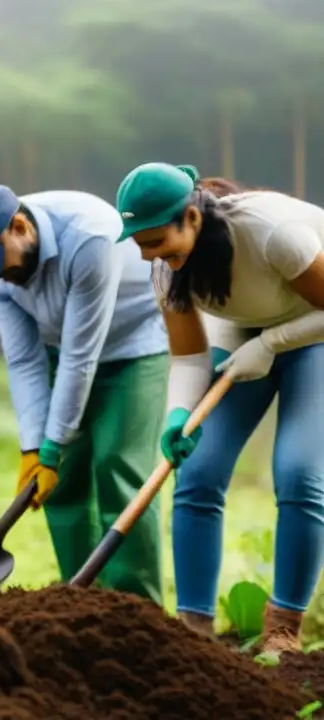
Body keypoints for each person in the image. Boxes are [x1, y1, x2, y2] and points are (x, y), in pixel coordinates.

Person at [115, 162, 324, 653]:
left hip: (314, 333)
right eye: (140, 245)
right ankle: (194, 632)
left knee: (298, 473)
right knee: (198, 472)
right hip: (245, 336)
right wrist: (176, 416)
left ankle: (283, 629)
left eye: (157, 241)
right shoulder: (166, 272)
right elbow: (188, 356)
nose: (151, 257)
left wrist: (273, 342)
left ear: (191, 218)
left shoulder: (272, 234)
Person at [0, 185, 169, 603]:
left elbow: (80, 355)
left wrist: (52, 446)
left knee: (118, 468)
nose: (0, 277)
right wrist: (34, 447)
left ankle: (139, 612)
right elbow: (24, 359)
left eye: (0, 262)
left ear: (19, 226)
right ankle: (80, 606)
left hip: (131, 345)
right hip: (58, 350)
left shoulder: (89, 237)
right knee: (62, 483)